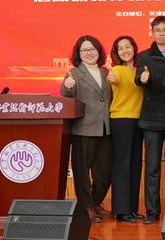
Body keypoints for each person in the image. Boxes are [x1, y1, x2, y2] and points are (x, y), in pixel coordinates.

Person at [135, 15, 165, 224]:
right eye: (158, 30)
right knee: (152, 167)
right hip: (152, 119)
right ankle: (152, 211)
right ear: (153, 32)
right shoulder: (144, 56)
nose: (162, 33)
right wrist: (141, 78)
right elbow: (138, 77)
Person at [60, 35, 112, 225]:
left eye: (92, 49)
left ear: (99, 51)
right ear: (79, 54)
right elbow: (66, 94)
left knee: (104, 172)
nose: (89, 53)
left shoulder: (106, 72)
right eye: (85, 50)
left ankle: (96, 202)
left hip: (105, 128)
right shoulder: (74, 73)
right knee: (82, 171)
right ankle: (86, 206)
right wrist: (67, 86)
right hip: (83, 128)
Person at [107, 35, 143, 224]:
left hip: (139, 120)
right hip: (121, 119)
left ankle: (132, 208)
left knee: (135, 164)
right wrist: (111, 78)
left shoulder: (141, 70)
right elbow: (113, 79)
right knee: (122, 164)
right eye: (120, 48)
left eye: (127, 47)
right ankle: (121, 210)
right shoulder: (117, 70)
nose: (124, 51)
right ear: (116, 53)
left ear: (134, 48)